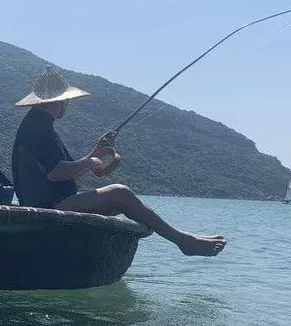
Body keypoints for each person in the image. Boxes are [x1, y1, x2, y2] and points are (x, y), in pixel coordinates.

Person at [12, 67, 226, 256]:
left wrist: (97, 149)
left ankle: (180, 238)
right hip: (48, 207)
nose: (67, 106)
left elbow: (68, 173)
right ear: (58, 101)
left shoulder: (39, 124)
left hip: (52, 201)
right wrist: (89, 163)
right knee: (120, 193)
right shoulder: (39, 127)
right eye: (67, 101)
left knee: (117, 205)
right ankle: (183, 241)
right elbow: (55, 172)